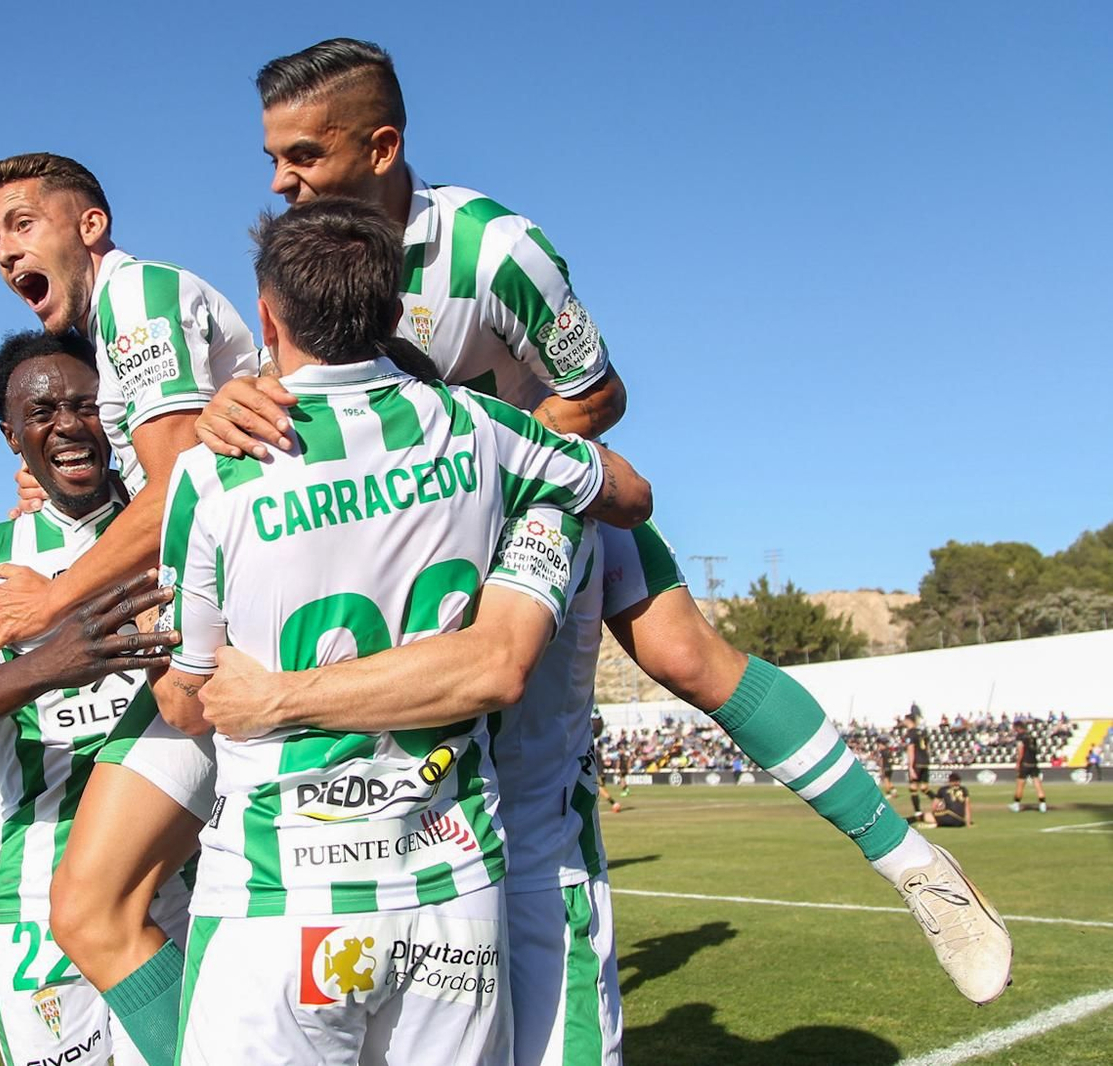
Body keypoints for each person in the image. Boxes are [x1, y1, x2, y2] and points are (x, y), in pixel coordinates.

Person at [192, 36, 1012, 1025]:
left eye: (303, 157)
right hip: (410, 535)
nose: (281, 182)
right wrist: (224, 406)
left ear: (381, 145)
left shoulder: (496, 249)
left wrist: (493, 451)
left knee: (677, 656)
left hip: (533, 499)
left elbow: (601, 392)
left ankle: (911, 860)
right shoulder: (304, 267)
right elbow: (293, 399)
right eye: (272, 160)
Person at [146, 197, 651, 1065]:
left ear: (266, 316)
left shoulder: (210, 473)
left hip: (277, 886)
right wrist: (541, 508)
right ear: (392, 315)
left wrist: (260, 696)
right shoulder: (486, 431)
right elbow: (631, 493)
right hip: (450, 887)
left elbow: (193, 705)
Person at [0, 152, 259, 1066]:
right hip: (266, 610)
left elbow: (179, 492)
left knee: (90, 904)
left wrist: (52, 599)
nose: (4, 253)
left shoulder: (134, 300)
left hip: (254, 628)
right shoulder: (126, 326)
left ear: (91, 226)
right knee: (103, 909)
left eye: (23, 225)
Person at [0, 330, 183, 1066]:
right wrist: (46, 664)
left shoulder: (179, 530)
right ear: (12, 435)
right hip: (37, 904)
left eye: (87, 405)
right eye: (43, 411)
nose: (68, 425)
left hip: (188, 884)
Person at [1009, 719, 1048, 813]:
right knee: (1037, 784)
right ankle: (1042, 805)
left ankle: (1016, 804)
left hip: (1025, 763)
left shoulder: (1020, 737)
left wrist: (1018, 763)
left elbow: (1020, 750)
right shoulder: (1031, 736)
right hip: (1033, 763)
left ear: (1017, 728)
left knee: (1020, 784)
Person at [904, 711, 932, 821]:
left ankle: (917, 812)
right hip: (925, 761)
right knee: (924, 788)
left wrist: (911, 767)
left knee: (913, 788)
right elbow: (928, 748)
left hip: (916, 762)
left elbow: (911, 749)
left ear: (908, 721)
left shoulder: (910, 733)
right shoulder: (923, 732)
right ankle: (939, 801)